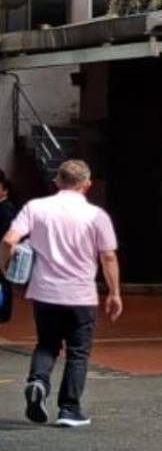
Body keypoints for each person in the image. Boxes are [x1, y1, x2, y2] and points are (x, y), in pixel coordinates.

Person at [0, 159, 121, 428]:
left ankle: (38, 381)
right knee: (77, 352)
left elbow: (9, 240)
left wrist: (5, 267)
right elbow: (108, 256)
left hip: (44, 292)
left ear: (57, 181)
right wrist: (115, 293)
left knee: (46, 344)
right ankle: (69, 409)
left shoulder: (36, 208)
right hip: (80, 294)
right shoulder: (97, 216)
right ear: (87, 184)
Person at [0, 175, 18, 324]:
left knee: (4, 283)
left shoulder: (6, 209)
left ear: (5, 190)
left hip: (3, 251)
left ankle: (3, 313)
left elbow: (6, 233)